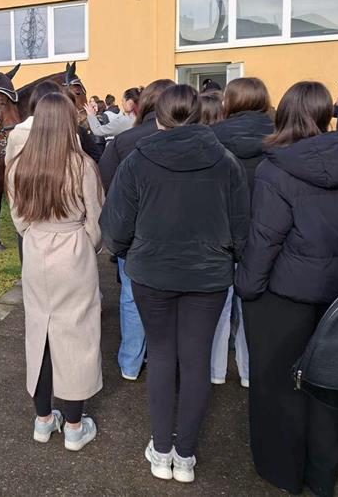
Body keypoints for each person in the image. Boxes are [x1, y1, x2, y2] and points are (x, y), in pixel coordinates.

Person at [100, 84, 249, 484]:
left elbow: (114, 227)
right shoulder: (226, 161)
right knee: (195, 360)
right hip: (208, 276)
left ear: (160, 117)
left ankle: (163, 448)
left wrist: (129, 253)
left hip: (154, 274)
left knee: (164, 357)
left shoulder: (138, 160)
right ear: (198, 115)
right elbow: (242, 228)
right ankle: (183, 455)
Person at [236, 81, 338, 497]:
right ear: (327, 113)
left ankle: (283, 471)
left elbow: (264, 239)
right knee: (327, 390)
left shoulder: (275, 170)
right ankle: (321, 475)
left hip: (285, 296)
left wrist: (247, 288)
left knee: (278, 386)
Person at [5, 92, 103, 453]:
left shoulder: (18, 164)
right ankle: (74, 426)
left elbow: (18, 218)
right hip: (73, 248)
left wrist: (35, 236)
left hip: (35, 250)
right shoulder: (83, 165)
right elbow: (96, 221)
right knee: (76, 335)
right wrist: (85, 245)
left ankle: (44, 419)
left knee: (39, 334)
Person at [97, 78, 174, 382]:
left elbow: (106, 183)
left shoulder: (126, 141)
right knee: (172, 299)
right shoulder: (195, 140)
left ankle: (130, 361)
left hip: (135, 234)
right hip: (179, 235)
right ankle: (162, 359)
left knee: (131, 297)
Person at [208, 77, 274, 388]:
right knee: (255, 308)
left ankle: (215, 370)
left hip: (219, 232)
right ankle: (250, 372)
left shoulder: (211, 137)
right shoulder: (280, 137)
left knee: (219, 307)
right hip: (266, 234)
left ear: (229, 101)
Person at [6, 80, 63, 263]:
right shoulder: (70, 134)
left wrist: (20, 224)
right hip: (61, 209)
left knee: (31, 267)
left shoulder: (17, 133)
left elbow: (10, 172)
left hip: (28, 207)